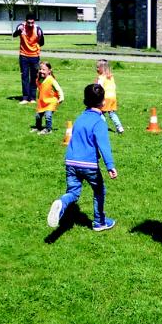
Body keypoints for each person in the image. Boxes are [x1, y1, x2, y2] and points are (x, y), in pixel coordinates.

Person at [47, 83, 118, 232]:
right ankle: (100, 222)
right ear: (103, 101)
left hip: (71, 162)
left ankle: (61, 203)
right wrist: (110, 166)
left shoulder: (79, 118)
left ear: (85, 100)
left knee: (73, 192)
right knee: (99, 191)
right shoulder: (99, 122)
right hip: (89, 165)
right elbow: (104, 146)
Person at [13, 13, 45, 104]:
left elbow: (42, 43)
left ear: (34, 22)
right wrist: (19, 31)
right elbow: (14, 35)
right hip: (23, 56)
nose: (30, 25)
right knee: (25, 77)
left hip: (35, 56)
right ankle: (25, 98)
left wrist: (39, 39)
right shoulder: (21, 27)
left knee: (34, 77)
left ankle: (33, 98)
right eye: (28, 22)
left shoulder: (38, 29)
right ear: (25, 21)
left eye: (32, 22)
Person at [30, 62, 64, 135]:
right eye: (40, 69)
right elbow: (40, 89)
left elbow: (58, 89)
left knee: (48, 115)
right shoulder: (39, 79)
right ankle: (38, 127)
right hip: (42, 102)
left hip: (51, 101)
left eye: (44, 69)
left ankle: (48, 129)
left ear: (49, 71)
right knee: (38, 116)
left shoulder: (51, 80)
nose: (41, 71)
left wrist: (61, 97)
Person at [95, 59, 124, 134]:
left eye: (98, 67)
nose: (96, 69)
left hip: (105, 97)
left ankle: (103, 127)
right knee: (112, 113)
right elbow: (114, 86)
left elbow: (99, 87)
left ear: (102, 68)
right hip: (113, 97)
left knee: (101, 112)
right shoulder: (110, 77)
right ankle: (119, 127)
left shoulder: (101, 77)